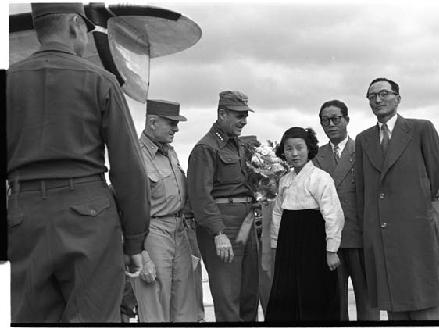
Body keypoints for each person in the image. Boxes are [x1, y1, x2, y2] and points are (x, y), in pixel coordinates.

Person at [7, 3, 150, 323]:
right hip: (89, 215)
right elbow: (129, 169)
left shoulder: (9, 81)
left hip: (22, 216)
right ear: (74, 24)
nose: (86, 38)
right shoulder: (100, 80)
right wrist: (135, 240)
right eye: (86, 29)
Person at [355, 77, 439, 320]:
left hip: (414, 227)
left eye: (384, 93)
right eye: (372, 96)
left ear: (398, 98)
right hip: (380, 231)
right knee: (394, 306)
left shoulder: (421, 129)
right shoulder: (364, 139)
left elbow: (438, 171)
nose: (378, 99)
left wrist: (413, 203)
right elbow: (363, 188)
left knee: (423, 302)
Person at [187, 91, 259, 322]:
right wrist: (218, 233)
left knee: (250, 295)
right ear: (221, 113)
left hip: (247, 224)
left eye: (245, 115)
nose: (244, 120)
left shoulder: (239, 146)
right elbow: (200, 196)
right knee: (228, 299)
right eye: (238, 115)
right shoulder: (205, 148)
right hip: (223, 226)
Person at [266, 127, 344, 321]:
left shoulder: (321, 178)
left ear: (309, 149)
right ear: (282, 152)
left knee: (314, 293)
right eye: (288, 148)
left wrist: (332, 250)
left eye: (299, 148)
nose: (294, 153)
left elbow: (334, 215)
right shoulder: (285, 180)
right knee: (286, 295)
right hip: (288, 243)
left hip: (314, 243)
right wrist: (276, 245)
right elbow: (278, 213)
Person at [312, 100, 379, 321]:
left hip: (360, 236)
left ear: (347, 120)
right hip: (331, 241)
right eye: (325, 120)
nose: (330, 124)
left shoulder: (363, 149)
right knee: (334, 305)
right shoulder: (316, 156)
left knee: (368, 303)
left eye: (336, 119)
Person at [131, 100, 197, 322]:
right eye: (171, 123)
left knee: (185, 306)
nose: (176, 129)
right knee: (155, 307)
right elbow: (127, 210)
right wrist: (142, 255)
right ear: (152, 122)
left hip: (179, 230)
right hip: (152, 231)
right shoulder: (134, 155)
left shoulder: (170, 152)